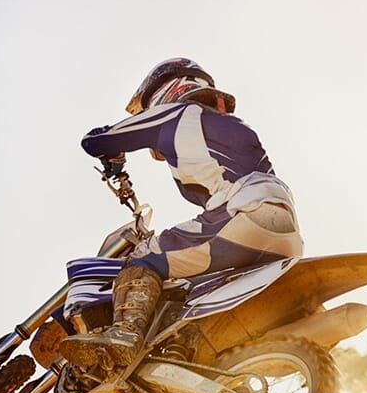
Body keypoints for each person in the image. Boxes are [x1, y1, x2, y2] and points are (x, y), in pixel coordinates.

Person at [59, 57, 303, 369]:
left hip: (242, 213)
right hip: (285, 228)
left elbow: (96, 141)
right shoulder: (231, 125)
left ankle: (124, 335)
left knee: (143, 259)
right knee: (188, 289)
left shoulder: (173, 113)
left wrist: (114, 156)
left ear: (162, 92)